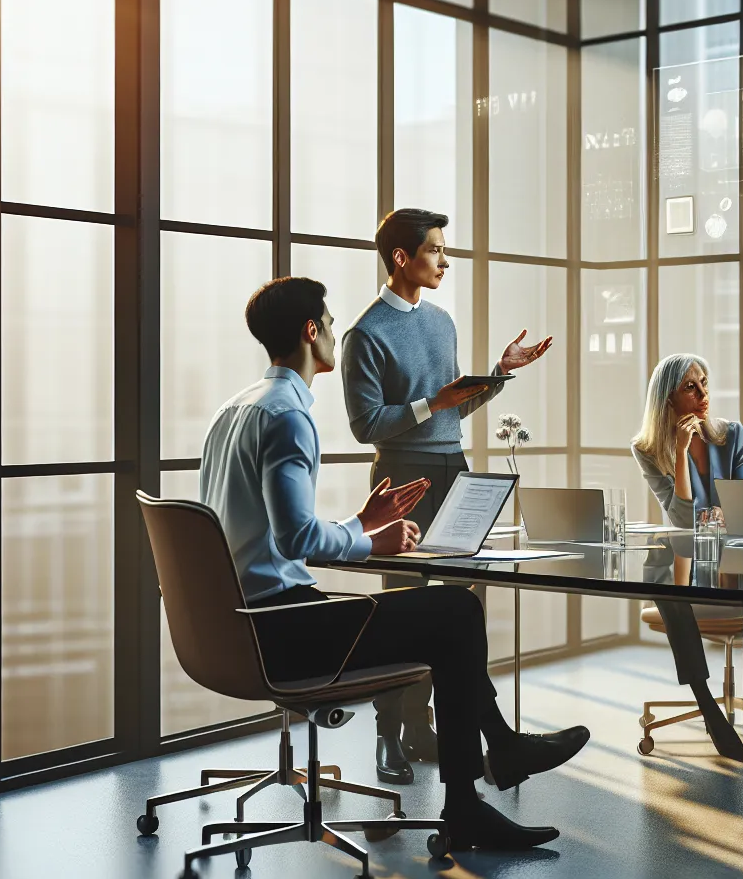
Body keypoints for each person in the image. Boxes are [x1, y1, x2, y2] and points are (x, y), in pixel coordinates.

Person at [199, 276, 587, 849]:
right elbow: (295, 537)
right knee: (455, 610)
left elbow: (253, 530)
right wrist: (366, 536)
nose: (334, 332)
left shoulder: (233, 411)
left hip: (235, 626)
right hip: (282, 631)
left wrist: (361, 521)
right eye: (329, 324)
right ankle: (481, 781)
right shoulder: (288, 415)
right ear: (312, 332)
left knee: (442, 613)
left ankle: (491, 764)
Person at [340, 208, 552, 786]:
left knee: (463, 608)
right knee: (401, 610)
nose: (445, 260)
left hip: (453, 469)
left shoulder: (442, 321)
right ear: (401, 258)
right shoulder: (365, 333)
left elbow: (451, 406)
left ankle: (425, 728)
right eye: (434, 250)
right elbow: (366, 426)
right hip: (401, 479)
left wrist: (497, 375)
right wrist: (435, 403)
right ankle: (388, 737)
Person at [630, 354, 743, 761]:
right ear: (668, 400)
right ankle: (706, 702)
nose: (703, 395)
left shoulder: (732, 436)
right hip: (679, 564)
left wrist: (723, 514)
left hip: (730, 564)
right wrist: (681, 451)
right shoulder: (648, 449)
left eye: (704, 383)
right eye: (690, 387)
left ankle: (707, 705)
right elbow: (682, 518)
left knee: (675, 591)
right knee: (665, 588)